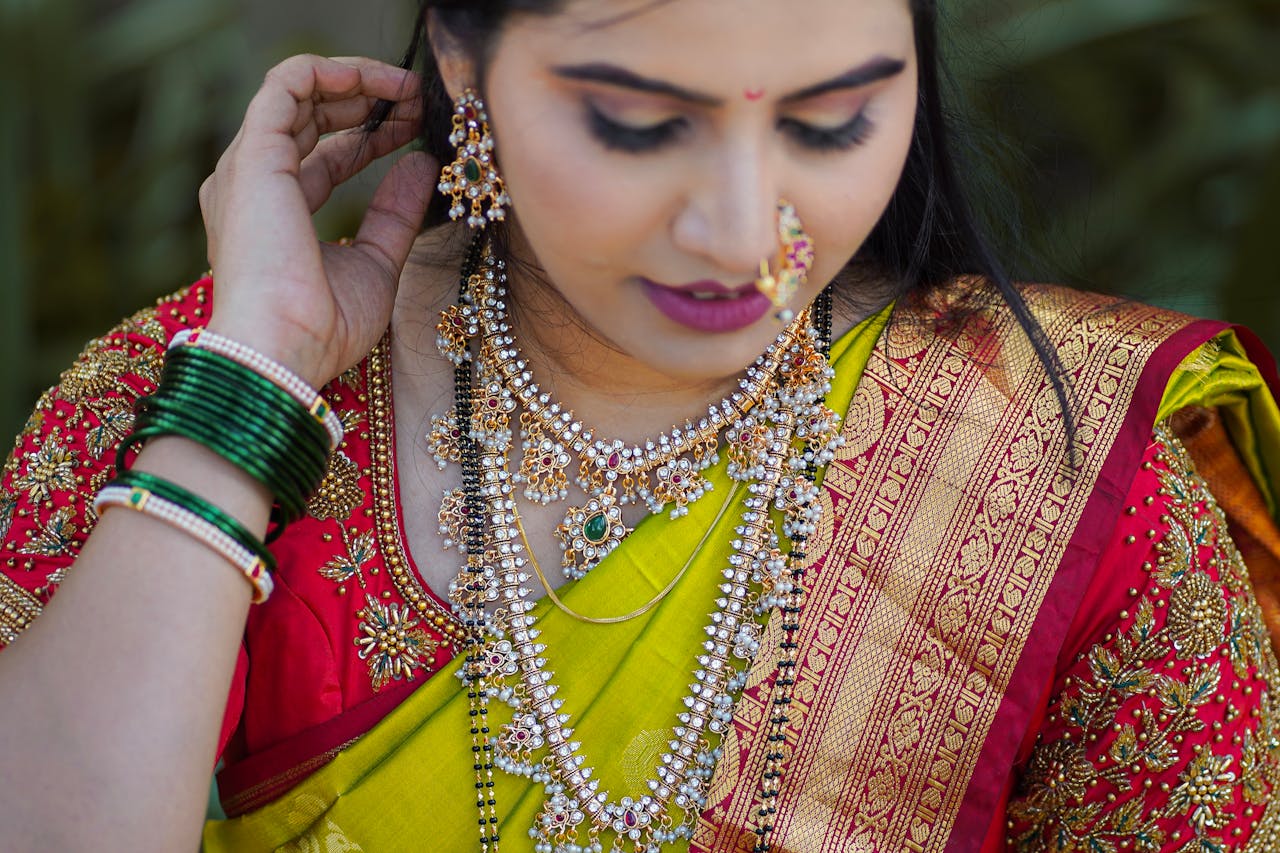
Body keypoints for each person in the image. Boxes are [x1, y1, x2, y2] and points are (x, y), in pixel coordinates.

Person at [2, 0, 1279, 850]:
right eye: (635, 122)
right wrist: (251, 388)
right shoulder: (193, 393)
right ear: (461, 60)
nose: (739, 233)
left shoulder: (1056, 478)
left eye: (831, 121)